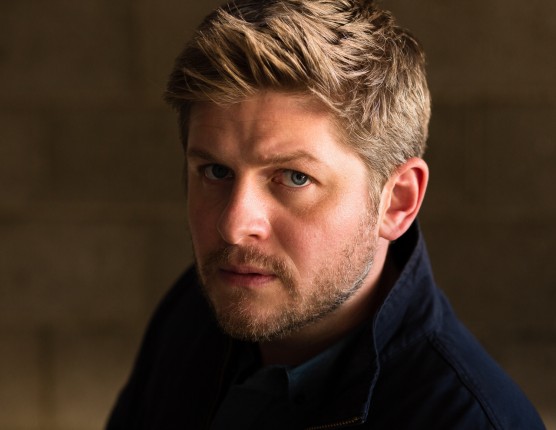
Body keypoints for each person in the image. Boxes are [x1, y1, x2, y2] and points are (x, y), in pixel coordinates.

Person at [107, 0, 545, 428]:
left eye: (294, 178)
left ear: (397, 202)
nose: (234, 227)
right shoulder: (193, 308)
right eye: (216, 171)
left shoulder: (469, 419)